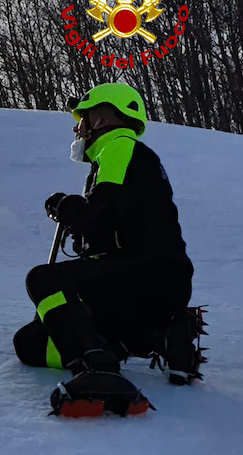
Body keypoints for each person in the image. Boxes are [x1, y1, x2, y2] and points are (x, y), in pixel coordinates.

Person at [13, 82, 203, 417]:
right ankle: (158, 334)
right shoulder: (119, 159)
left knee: (43, 280)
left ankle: (98, 368)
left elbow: (100, 213)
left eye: (81, 120)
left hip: (146, 272)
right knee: (31, 344)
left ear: (100, 120)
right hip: (149, 278)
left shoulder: (119, 146)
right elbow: (108, 224)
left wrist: (72, 209)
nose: (77, 129)